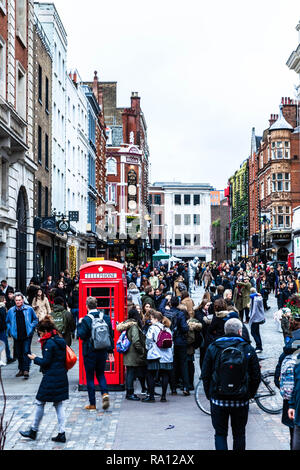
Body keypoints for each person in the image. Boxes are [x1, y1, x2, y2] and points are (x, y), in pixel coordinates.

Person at [201, 318, 261, 450]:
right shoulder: (247, 348)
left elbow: (205, 374)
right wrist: (249, 394)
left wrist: (209, 394)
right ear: (240, 331)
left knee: (220, 434)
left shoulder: (214, 347)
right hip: (241, 399)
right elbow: (256, 376)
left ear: (225, 330)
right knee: (239, 434)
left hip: (218, 398)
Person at [19, 316, 69, 443]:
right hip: (61, 375)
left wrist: (34, 358)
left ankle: (33, 431)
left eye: (40, 333)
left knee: (40, 402)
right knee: (59, 404)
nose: (39, 335)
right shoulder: (59, 339)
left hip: (51, 377)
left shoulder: (49, 343)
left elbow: (46, 362)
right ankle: (61, 433)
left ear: (45, 331)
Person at [77, 297, 114, 411]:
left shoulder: (86, 319)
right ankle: (105, 394)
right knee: (101, 374)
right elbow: (110, 334)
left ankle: (92, 404)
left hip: (89, 351)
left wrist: (79, 323)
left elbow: (81, 335)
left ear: (86, 306)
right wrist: (110, 350)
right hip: (102, 350)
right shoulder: (106, 317)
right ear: (97, 305)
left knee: (90, 378)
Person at [274, 322, 300, 449]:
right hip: (296, 400)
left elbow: (277, 378)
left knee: (293, 435)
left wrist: (286, 393)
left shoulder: (286, 353)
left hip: (290, 402)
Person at [117, 307, 147, 400]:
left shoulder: (126, 324)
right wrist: (142, 350)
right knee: (131, 373)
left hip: (128, 353)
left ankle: (130, 392)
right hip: (133, 354)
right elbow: (136, 340)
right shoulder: (134, 326)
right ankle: (130, 394)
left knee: (130, 373)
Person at [6, 292, 38, 379]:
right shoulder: (11, 311)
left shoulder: (29, 309)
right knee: (19, 353)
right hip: (16, 335)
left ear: (23, 300)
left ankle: (26, 370)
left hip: (27, 334)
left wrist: (31, 327)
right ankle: (21, 369)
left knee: (26, 351)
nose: (18, 302)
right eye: (16, 300)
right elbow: (7, 321)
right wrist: (10, 330)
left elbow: (35, 319)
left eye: (19, 300)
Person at [144, 310, 173, 403]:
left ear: (156, 319)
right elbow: (172, 343)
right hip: (166, 356)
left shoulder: (152, 328)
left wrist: (148, 348)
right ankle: (163, 397)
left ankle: (151, 397)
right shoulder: (167, 328)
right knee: (165, 375)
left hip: (155, 354)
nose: (150, 320)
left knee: (150, 375)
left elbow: (148, 340)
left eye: (151, 319)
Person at [249, 288, 265, 353]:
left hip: (255, 318)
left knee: (253, 332)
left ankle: (259, 346)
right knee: (257, 332)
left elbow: (250, 296)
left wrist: (255, 294)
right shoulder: (258, 298)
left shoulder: (256, 299)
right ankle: (259, 346)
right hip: (257, 318)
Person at [0, 295, 14, 364]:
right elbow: (5, 319)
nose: (5, 301)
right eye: (4, 300)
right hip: (2, 328)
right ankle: (7, 358)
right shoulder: (2, 308)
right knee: (4, 343)